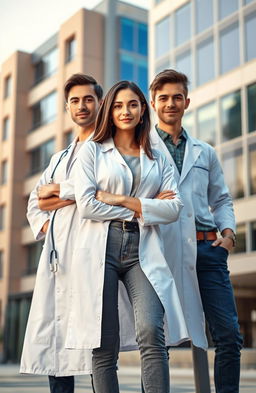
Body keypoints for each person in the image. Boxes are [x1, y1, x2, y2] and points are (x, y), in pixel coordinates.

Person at [64, 80, 192, 393]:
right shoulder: (92, 150)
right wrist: (147, 208)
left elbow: (174, 207)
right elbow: (87, 206)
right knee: (104, 342)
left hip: (142, 249)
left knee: (151, 330)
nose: (126, 111)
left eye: (133, 104)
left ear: (142, 110)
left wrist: (121, 200)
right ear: (109, 110)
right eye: (119, 105)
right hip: (101, 248)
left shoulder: (156, 155)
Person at [149, 69, 243, 393]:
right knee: (155, 335)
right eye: (164, 98)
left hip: (207, 250)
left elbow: (222, 198)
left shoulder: (205, 151)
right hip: (159, 249)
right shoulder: (142, 149)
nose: (171, 103)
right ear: (153, 103)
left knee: (229, 334)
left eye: (177, 97)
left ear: (187, 102)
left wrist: (228, 234)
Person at [20, 73, 103, 393]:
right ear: (67, 107)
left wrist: (61, 195)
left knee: (98, 344)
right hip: (58, 258)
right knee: (57, 342)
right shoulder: (58, 158)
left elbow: (103, 190)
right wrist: (47, 224)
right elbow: (35, 201)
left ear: (99, 103)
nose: (81, 106)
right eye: (75, 101)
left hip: (92, 254)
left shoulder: (108, 150)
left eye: (88, 99)